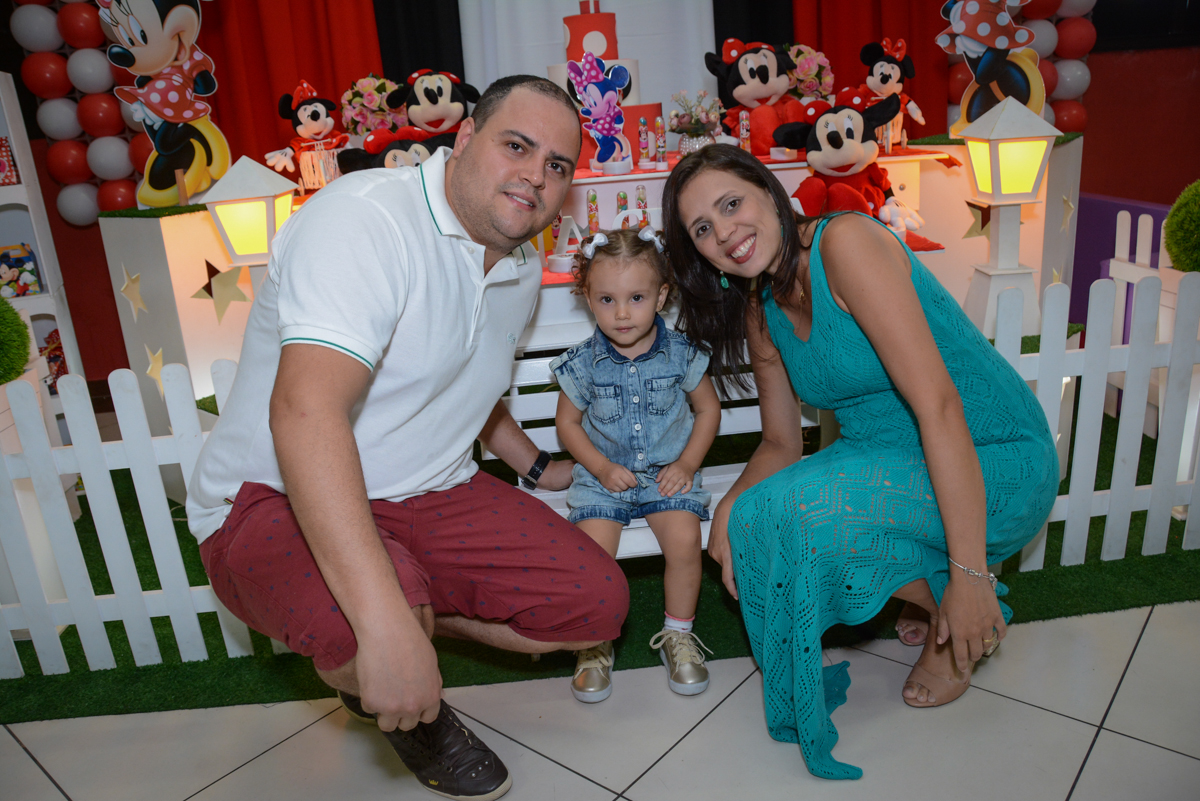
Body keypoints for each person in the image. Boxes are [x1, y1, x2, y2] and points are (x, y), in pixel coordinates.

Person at [185, 75, 630, 801]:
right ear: (462, 140)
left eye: (557, 165)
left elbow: (464, 377)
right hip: (273, 495)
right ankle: (404, 674)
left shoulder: (516, 262)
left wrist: (535, 461)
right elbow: (306, 413)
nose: (536, 176)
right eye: (516, 146)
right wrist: (387, 622)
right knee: (377, 625)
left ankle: (413, 609)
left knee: (596, 606)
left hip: (436, 488)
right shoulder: (364, 221)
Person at [659, 144, 1058, 780]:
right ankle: (931, 591)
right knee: (757, 514)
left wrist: (972, 574)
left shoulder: (845, 244)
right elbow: (781, 444)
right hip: (885, 458)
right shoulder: (760, 310)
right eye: (701, 229)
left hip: (991, 454)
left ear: (772, 193)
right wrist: (728, 513)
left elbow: (940, 409)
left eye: (731, 204)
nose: (724, 233)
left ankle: (967, 597)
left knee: (793, 513)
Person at [550, 227, 721, 703]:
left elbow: (708, 410)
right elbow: (569, 427)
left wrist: (687, 462)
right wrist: (602, 468)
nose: (622, 313)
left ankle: (678, 635)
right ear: (587, 298)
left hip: (667, 472)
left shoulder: (682, 352)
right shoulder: (584, 363)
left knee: (685, 540)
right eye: (606, 299)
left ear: (662, 295)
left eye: (637, 297)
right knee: (593, 554)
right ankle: (595, 643)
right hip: (605, 480)